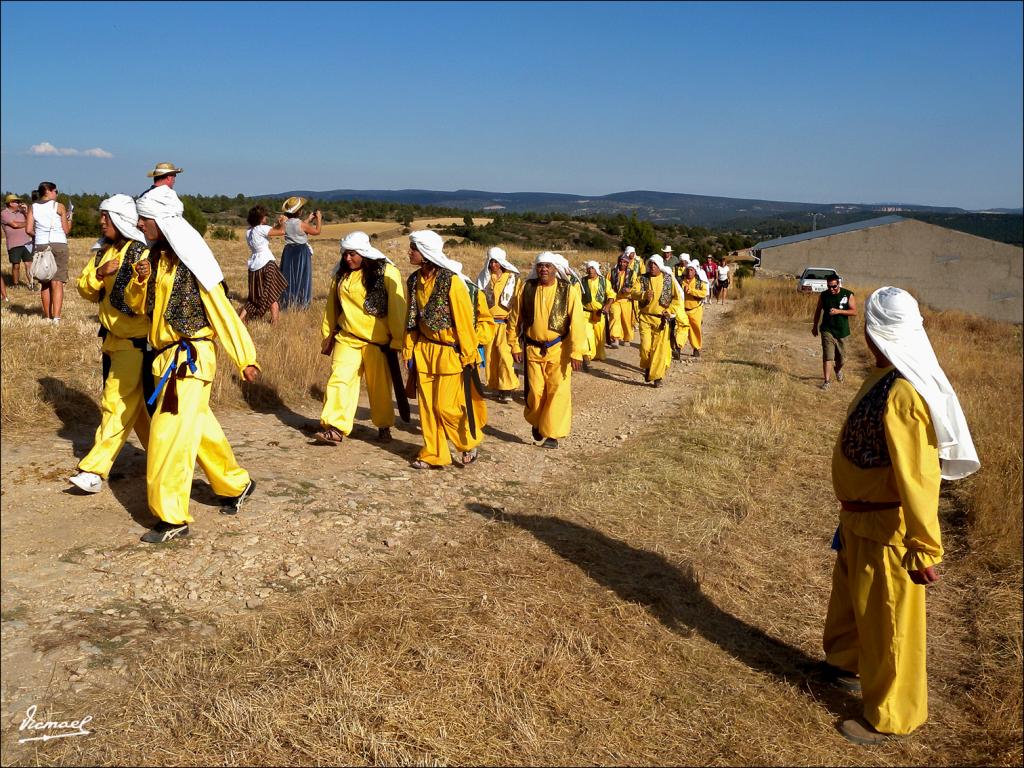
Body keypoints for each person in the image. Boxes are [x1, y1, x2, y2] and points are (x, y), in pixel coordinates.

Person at [824, 286, 979, 745]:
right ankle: (845, 665)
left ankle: (893, 714)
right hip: (857, 520)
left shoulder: (906, 395)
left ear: (877, 333)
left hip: (884, 529)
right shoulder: (883, 376)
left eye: (869, 330)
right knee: (853, 606)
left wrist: (925, 547)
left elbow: (918, 477)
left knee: (890, 622)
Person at [126, 185, 259, 544]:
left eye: (144, 219)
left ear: (162, 222)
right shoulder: (154, 261)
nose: (139, 224)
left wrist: (245, 357)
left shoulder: (193, 263)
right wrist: (139, 280)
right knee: (198, 428)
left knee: (168, 436)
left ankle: (172, 517)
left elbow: (222, 312)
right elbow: (137, 306)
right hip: (164, 358)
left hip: (190, 359)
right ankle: (236, 484)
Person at [68, 195, 154, 494]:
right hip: (112, 340)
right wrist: (101, 273)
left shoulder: (142, 253)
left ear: (121, 219)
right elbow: (85, 289)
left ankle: (94, 470)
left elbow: (143, 302)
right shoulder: (104, 252)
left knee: (115, 402)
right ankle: (165, 457)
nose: (101, 221)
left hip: (136, 341)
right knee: (138, 410)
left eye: (106, 217)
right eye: (102, 216)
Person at [316, 231, 408, 445]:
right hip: (347, 337)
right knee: (339, 379)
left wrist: (397, 340)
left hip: (377, 343)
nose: (348, 259)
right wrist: (328, 333)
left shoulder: (387, 272)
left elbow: (397, 307)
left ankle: (384, 424)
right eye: (345, 254)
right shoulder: (340, 274)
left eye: (353, 254)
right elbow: (332, 305)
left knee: (379, 387)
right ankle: (335, 427)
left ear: (364, 253)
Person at [403, 230, 483, 468]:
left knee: (445, 406)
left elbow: (464, 321)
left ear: (425, 254)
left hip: (449, 352)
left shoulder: (453, 281)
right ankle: (434, 453)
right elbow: (411, 318)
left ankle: (468, 442)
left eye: (413, 249)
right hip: (424, 350)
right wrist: (408, 349)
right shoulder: (414, 280)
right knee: (427, 408)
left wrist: (470, 354)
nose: (409, 252)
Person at [508, 252, 586, 449]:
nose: (544, 269)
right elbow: (514, 319)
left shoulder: (568, 291)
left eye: (548, 266)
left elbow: (577, 322)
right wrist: (514, 345)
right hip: (532, 349)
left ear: (555, 269)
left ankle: (552, 434)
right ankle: (537, 420)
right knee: (535, 392)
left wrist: (577, 351)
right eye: (540, 266)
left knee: (557, 392)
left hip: (559, 350)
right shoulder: (526, 289)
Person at [632, 254, 686, 387]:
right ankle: (647, 366)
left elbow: (676, 299)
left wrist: (670, 310)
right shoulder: (642, 279)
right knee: (645, 348)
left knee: (658, 350)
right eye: (650, 264)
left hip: (661, 320)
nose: (652, 266)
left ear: (660, 266)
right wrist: (643, 295)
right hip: (645, 317)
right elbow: (633, 293)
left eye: (655, 264)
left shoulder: (668, 279)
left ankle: (657, 377)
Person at [476, 246, 520, 403]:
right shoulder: (483, 278)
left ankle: (507, 388)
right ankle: (496, 385)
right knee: (490, 357)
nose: (493, 265)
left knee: (504, 355)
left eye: (496, 262)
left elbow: (517, 301)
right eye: (491, 262)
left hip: (505, 324)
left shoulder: (513, 279)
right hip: (487, 324)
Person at [25, 181, 72, 325]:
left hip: (41, 244)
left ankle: (47, 315)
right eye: (56, 191)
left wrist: (38, 234)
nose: (57, 194)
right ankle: (56, 318)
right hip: (58, 243)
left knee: (45, 282)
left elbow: (28, 230)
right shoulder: (59, 206)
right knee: (57, 282)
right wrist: (70, 218)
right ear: (50, 191)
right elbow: (66, 230)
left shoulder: (33, 207)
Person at [239, 205, 288, 324]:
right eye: (265, 215)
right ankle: (275, 322)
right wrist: (284, 222)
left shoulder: (249, 231)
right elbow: (281, 231)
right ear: (261, 218)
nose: (266, 217)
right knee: (272, 294)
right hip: (266, 263)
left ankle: (240, 319)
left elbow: (270, 231)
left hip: (254, 264)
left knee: (254, 296)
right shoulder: (261, 229)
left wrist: (278, 223)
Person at [277, 196, 322, 310]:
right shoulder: (302, 224)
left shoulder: (286, 223)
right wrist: (319, 219)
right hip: (301, 252)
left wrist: (308, 219)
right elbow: (317, 231)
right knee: (302, 277)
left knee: (288, 276)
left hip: (288, 251)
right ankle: (301, 303)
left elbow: (297, 226)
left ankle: (287, 302)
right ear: (299, 211)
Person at [812, 277, 856, 390]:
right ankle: (827, 381)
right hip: (827, 330)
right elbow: (818, 311)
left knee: (841, 359)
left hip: (842, 331)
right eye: (829, 286)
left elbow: (854, 311)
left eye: (834, 286)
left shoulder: (848, 294)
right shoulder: (824, 295)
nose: (831, 289)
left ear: (838, 284)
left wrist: (838, 311)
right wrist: (815, 326)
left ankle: (838, 369)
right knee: (828, 356)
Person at [580, 260, 613, 369]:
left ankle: (598, 354)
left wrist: (607, 306)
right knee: (587, 335)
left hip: (600, 314)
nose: (590, 270)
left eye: (592, 268)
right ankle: (587, 356)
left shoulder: (604, 282)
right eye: (589, 268)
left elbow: (611, 295)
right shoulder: (582, 282)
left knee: (600, 337)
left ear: (596, 269)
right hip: (586, 313)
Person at [2, 194, 33, 289]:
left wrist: (26, 211)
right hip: (13, 244)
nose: (19, 203)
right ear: (10, 203)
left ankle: (32, 284)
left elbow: (32, 222)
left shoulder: (21, 213)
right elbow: (15, 225)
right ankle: (15, 284)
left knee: (29, 265)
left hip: (27, 243)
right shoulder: (4, 213)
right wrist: (27, 223)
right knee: (16, 265)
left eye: (19, 201)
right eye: (16, 201)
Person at [607, 252, 636, 348]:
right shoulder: (612, 272)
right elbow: (607, 286)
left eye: (624, 262)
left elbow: (636, 287)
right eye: (620, 261)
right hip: (615, 300)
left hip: (626, 300)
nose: (622, 264)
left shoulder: (632, 274)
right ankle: (615, 338)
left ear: (627, 263)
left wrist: (629, 290)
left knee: (626, 321)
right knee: (615, 317)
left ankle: (627, 338)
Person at [680, 262, 708, 358]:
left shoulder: (700, 283)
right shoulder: (680, 282)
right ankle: (678, 348)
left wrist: (691, 291)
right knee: (680, 328)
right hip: (682, 309)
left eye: (691, 270)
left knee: (695, 329)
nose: (689, 272)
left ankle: (696, 348)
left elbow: (704, 293)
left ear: (695, 271)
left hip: (695, 309)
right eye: (688, 270)